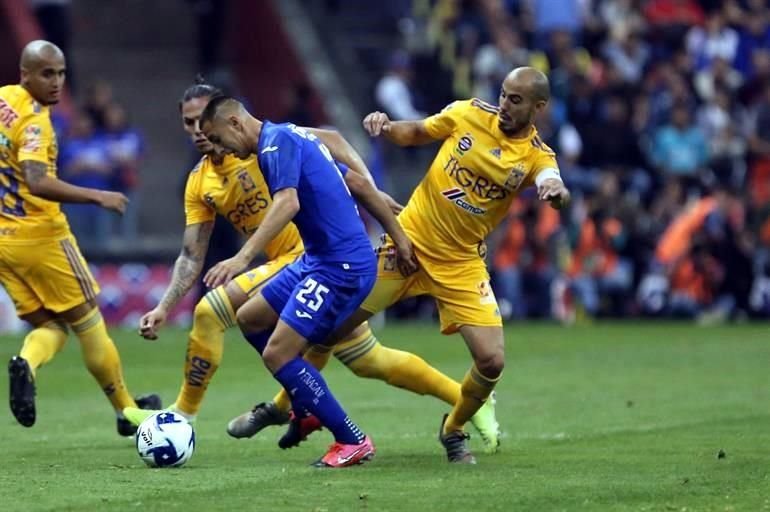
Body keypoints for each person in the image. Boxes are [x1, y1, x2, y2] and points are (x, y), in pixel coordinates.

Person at [124, 80, 500, 454]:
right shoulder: (200, 182)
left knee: (213, 311)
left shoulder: (272, 140)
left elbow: (331, 146)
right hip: (304, 262)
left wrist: (370, 192)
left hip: (316, 257)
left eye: (202, 123)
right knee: (366, 359)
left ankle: (186, 415)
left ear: (230, 118)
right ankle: (456, 399)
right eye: (188, 125)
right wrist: (165, 306)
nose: (197, 134)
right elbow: (191, 254)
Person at [288, 67, 570, 464]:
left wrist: (554, 190)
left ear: (539, 107)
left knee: (492, 361)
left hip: (460, 263)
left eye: (517, 100)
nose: (505, 105)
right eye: (504, 95)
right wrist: (387, 128)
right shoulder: (469, 113)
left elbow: (550, 177)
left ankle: (452, 429)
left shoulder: (536, 156)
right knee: (325, 330)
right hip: (407, 243)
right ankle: (299, 412)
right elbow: (418, 132)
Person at [195, 95, 417, 467]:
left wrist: (241, 258)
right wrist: (400, 238)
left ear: (234, 123)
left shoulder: (274, 145)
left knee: (278, 353)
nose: (222, 150)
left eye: (218, 139)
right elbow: (359, 184)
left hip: (339, 268)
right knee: (250, 317)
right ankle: (307, 406)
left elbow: (288, 204)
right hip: (317, 260)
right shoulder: (290, 136)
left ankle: (352, 440)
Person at [0, 40, 159, 434]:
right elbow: (37, 181)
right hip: (42, 236)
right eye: (46, 74)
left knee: (51, 326)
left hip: (4, 241)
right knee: (90, 323)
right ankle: (127, 410)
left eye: (61, 73)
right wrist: (97, 194)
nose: (56, 82)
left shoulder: (3, 100)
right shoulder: (35, 121)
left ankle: (26, 362)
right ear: (26, 74)